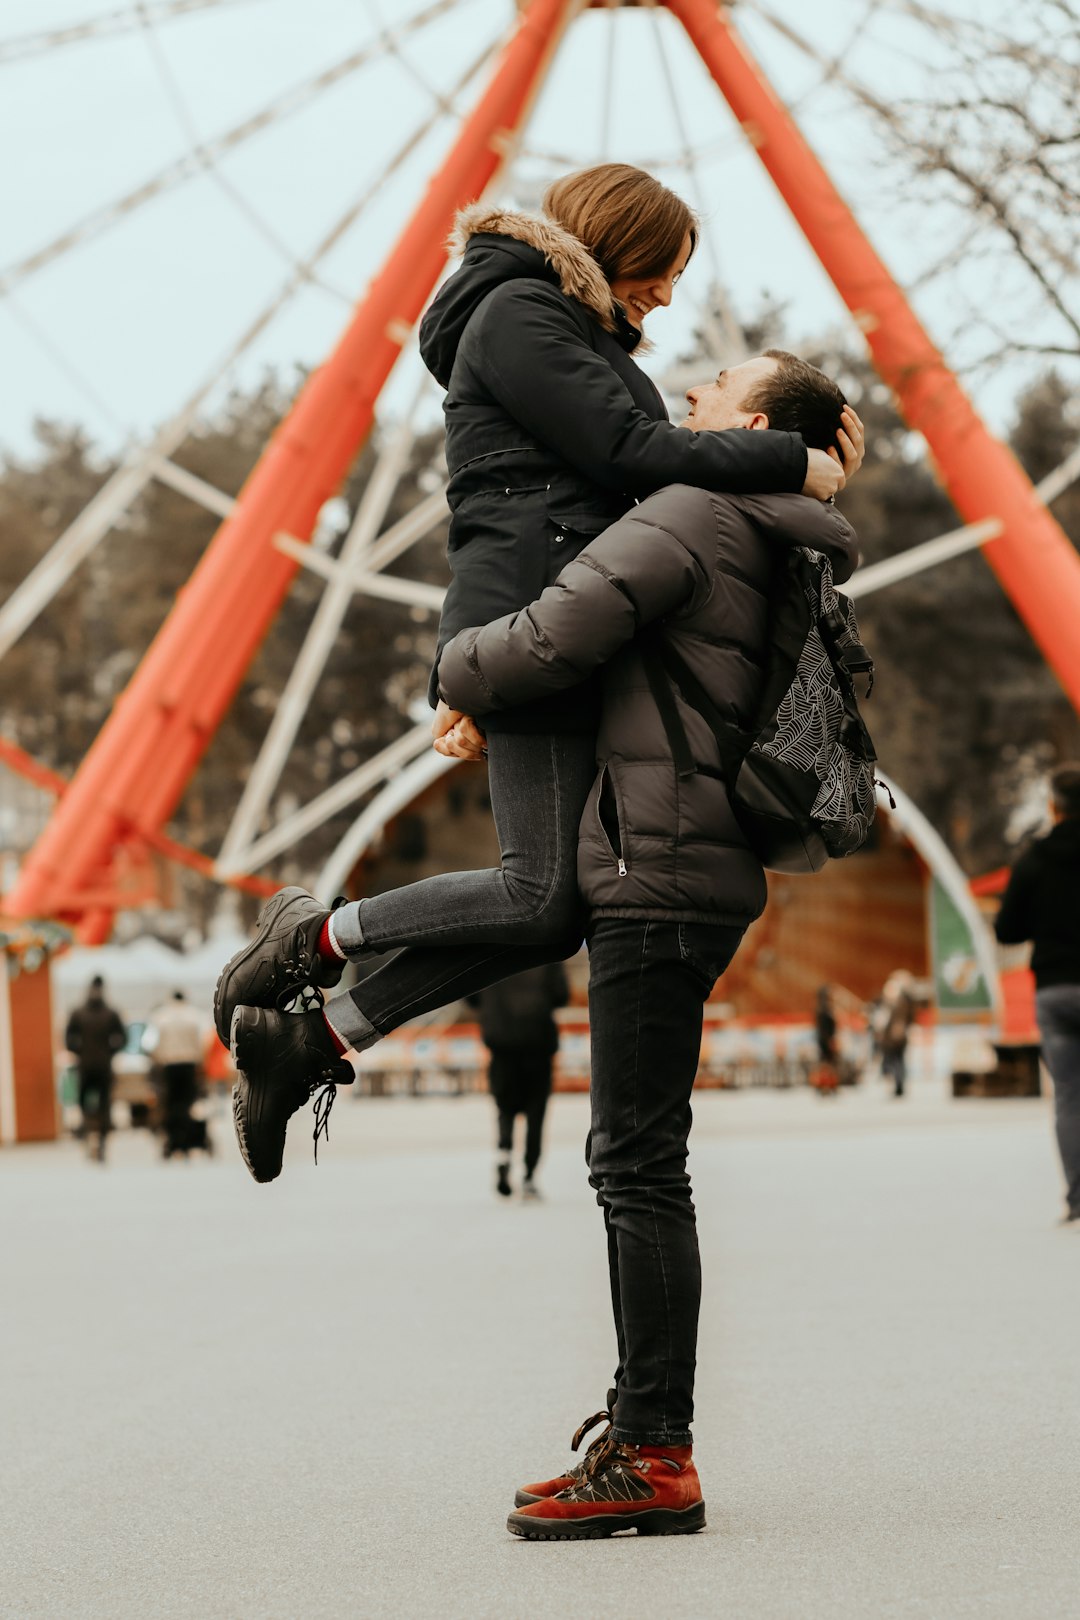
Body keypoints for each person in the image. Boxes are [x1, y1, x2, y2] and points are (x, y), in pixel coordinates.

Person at [216, 166, 863, 1181]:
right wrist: (789, 461)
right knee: (537, 893)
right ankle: (313, 938)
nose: (667, 295)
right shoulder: (518, 311)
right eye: (663, 270)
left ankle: (314, 1037)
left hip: (564, 622)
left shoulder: (559, 327)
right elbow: (632, 452)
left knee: (550, 902)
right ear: (618, 241)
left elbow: (645, 486)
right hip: (531, 621)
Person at [435, 349, 861, 1537]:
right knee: (643, 1159)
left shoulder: (691, 511)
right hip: (706, 859)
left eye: (719, 388)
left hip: (655, 863)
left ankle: (654, 1450)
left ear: (760, 424)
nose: (689, 397)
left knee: (635, 1166)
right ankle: (643, 1432)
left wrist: (453, 668)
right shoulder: (788, 533)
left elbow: (550, 636)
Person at [995, 762, 1080, 1224]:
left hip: (1055, 988)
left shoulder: (1034, 860)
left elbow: (1008, 929)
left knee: (1069, 1095)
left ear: (1054, 807)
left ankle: (1078, 1197)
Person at [469, 962, 569, 1199]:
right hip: (537, 1039)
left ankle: (504, 1152)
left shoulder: (486, 951)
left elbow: (469, 995)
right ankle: (529, 1176)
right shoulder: (549, 949)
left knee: (504, 1104)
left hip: (501, 1040)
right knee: (537, 1111)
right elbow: (561, 994)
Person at [65, 976, 126, 1162]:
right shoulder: (110, 1012)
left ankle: (86, 1133)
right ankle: (101, 1138)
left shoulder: (78, 1012)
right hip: (104, 1066)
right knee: (104, 1103)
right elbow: (123, 1038)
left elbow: (68, 1039)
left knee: (84, 1102)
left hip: (85, 1065)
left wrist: (79, 1051)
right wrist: (110, 1051)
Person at [146, 990, 209, 1158]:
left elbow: (150, 1044)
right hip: (189, 1066)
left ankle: (173, 1142)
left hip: (169, 1067)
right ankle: (186, 1142)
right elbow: (205, 1041)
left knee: (170, 1105)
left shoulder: (160, 1016)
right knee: (187, 1104)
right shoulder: (195, 1016)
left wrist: (158, 1058)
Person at [876, 970, 917, 1098]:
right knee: (895, 1061)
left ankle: (899, 1085)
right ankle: (898, 1084)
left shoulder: (902, 1002)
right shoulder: (895, 1003)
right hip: (892, 1037)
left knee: (897, 1061)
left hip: (896, 1037)